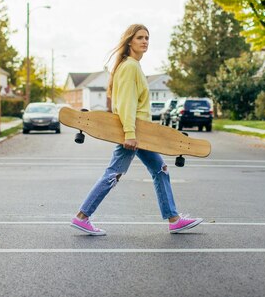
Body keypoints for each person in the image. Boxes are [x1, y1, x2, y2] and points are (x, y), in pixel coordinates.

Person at [70, 24, 203, 236]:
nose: (145, 41)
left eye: (147, 38)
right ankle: (82, 216)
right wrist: (130, 134)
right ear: (129, 41)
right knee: (114, 173)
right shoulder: (130, 67)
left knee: (160, 170)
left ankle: (174, 219)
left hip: (142, 133)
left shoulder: (132, 66)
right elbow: (126, 104)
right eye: (140, 37)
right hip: (134, 132)